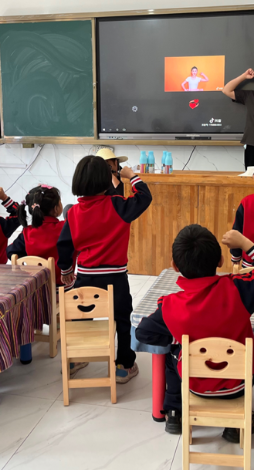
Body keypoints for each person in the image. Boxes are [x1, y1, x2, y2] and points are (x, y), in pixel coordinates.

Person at [135, 226, 254, 440]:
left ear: (174, 266)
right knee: (250, 352)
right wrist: (244, 243)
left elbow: (143, 333)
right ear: (220, 260)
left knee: (172, 353)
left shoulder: (170, 306)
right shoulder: (239, 290)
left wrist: (179, 337)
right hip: (239, 384)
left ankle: (175, 411)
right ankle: (235, 423)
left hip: (195, 386)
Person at [57, 155, 152, 383]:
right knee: (122, 320)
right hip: (115, 278)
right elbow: (144, 197)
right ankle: (124, 366)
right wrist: (132, 177)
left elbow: (64, 245)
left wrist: (66, 269)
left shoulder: (73, 213)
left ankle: (75, 359)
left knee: (80, 316)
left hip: (85, 277)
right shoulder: (118, 205)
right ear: (106, 180)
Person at [6, 185, 72, 288]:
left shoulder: (27, 232)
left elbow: (11, 252)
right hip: (63, 290)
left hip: (36, 289)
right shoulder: (66, 228)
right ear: (56, 209)